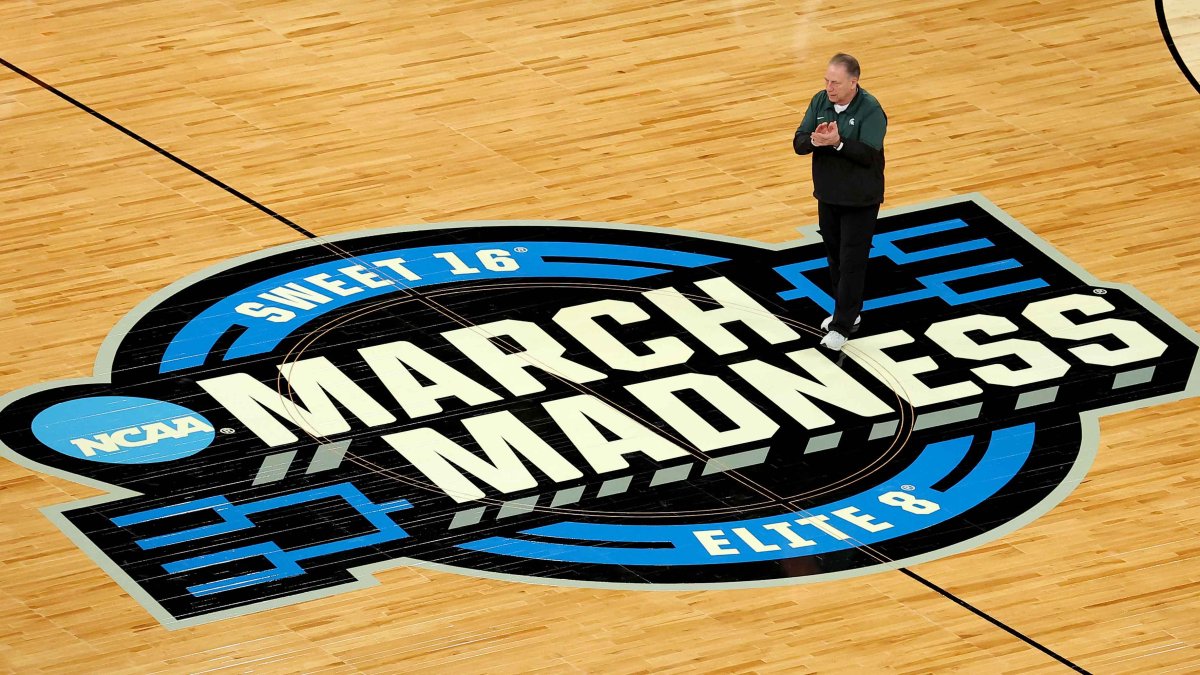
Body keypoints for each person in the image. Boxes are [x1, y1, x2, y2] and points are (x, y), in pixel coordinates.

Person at [793, 53, 887, 352]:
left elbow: (868, 155)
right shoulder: (820, 101)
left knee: (851, 261)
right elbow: (798, 142)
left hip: (860, 199)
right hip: (828, 194)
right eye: (827, 81)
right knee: (835, 257)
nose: (829, 88)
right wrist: (815, 140)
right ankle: (845, 311)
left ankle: (842, 326)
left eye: (835, 82)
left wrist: (838, 143)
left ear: (853, 82)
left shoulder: (871, 109)